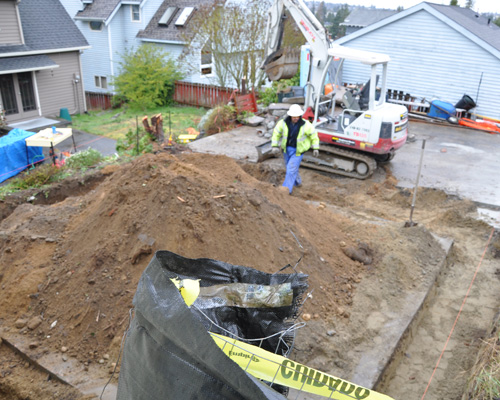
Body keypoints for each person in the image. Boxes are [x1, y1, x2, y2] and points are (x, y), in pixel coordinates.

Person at [271, 104, 320, 194]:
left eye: (297, 116)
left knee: (290, 169)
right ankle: (297, 182)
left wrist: (316, 147)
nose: (296, 118)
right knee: (290, 168)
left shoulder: (306, 125)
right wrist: (274, 146)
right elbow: (276, 133)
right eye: (294, 117)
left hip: (298, 151)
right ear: (290, 116)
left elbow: (314, 135)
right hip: (286, 150)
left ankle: (286, 190)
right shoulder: (283, 123)